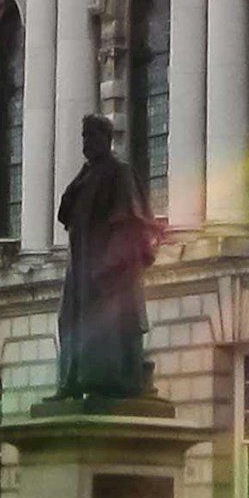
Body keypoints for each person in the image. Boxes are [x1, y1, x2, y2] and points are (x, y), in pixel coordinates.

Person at [55, 114, 161, 401]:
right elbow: (64, 213)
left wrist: (110, 264)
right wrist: (79, 179)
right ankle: (72, 381)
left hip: (108, 271)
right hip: (81, 266)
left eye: (92, 136)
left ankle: (112, 382)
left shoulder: (119, 172)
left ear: (107, 139)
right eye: (84, 137)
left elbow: (132, 222)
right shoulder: (87, 175)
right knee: (70, 321)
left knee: (109, 328)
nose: (86, 143)